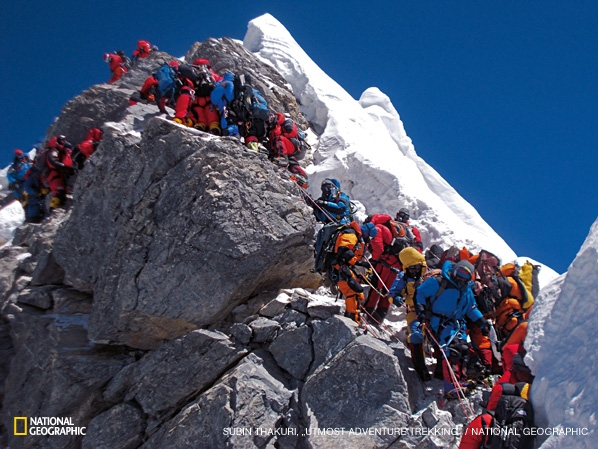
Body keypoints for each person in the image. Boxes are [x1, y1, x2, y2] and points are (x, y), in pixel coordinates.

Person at [414, 259, 489, 397]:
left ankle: (459, 380)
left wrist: (482, 323)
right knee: (451, 349)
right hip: (439, 320)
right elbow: (420, 293)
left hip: (457, 324)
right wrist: (421, 309)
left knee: (463, 350)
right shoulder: (439, 281)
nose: (461, 277)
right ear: (454, 270)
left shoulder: (466, 290)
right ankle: (451, 386)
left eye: (465, 276)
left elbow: (471, 309)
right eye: (459, 273)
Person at [390, 247, 430, 381]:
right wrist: (395, 298)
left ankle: (442, 370)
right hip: (413, 311)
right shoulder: (403, 277)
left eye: (417, 267)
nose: (415, 271)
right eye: (411, 268)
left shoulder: (429, 275)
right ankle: (420, 368)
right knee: (416, 335)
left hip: (433, 312)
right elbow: (393, 292)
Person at [328, 221, 371, 324]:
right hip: (340, 269)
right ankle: (352, 319)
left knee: (356, 293)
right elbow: (343, 251)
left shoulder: (352, 235)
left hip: (343, 269)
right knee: (351, 292)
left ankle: (354, 317)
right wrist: (358, 262)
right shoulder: (351, 235)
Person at [363, 214, 402, 324]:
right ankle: (380, 316)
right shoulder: (390, 228)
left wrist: (374, 260)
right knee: (387, 290)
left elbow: (378, 248)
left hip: (384, 264)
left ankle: (367, 311)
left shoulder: (378, 228)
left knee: (377, 287)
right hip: (395, 265)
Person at [42, 135, 74, 214]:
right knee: (58, 191)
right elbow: (53, 162)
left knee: (62, 191)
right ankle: (53, 211)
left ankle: (56, 209)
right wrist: (64, 167)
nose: (64, 142)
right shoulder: (53, 150)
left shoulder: (58, 150)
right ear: (57, 142)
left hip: (55, 174)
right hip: (53, 174)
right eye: (62, 140)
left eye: (65, 140)